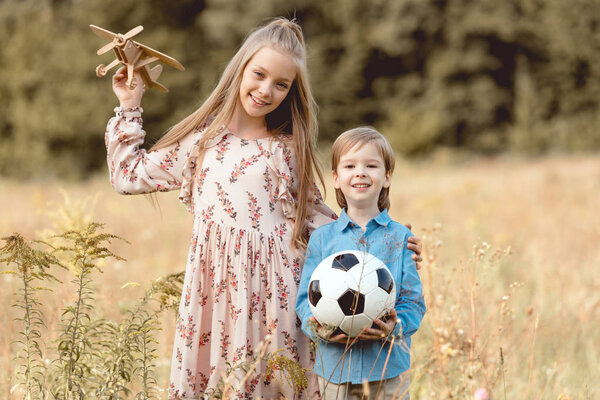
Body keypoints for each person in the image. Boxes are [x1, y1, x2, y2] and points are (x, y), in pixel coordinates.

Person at [105, 18, 422, 399]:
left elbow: (318, 219)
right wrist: (129, 103)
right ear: (241, 69)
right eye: (259, 74)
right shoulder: (201, 142)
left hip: (278, 299)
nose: (265, 90)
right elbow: (128, 176)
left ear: (291, 92)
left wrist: (386, 240)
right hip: (214, 299)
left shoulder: (286, 149)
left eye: (281, 84)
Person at [295, 127, 426, 400]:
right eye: (350, 165)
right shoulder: (322, 239)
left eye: (372, 165)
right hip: (335, 370)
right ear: (335, 178)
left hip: (389, 370)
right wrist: (318, 327)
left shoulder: (402, 238)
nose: (360, 172)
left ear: (387, 177)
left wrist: (394, 326)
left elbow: (414, 302)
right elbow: (304, 302)